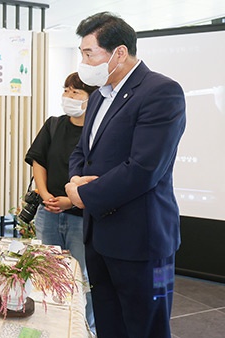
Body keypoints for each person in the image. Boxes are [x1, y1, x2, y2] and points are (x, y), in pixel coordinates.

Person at [65, 12, 186, 338]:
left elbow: (144, 168)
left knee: (147, 327)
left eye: (89, 53)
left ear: (119, 52)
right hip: (100, 237)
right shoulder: (99, 97)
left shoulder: (161, 92)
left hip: (142, 243)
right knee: (109, 324)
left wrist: (84, 195)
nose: (83, 61)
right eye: (81, 53)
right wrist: (75, 180)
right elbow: (82, 152)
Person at [25, 72, 98, 334]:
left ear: (93, 98)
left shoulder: (98, 133)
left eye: (76, 92)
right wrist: (44, 194)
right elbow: (38, 160)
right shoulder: (54, 124)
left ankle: (83, 328)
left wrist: (72, 201)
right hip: (49, 212)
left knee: (82, 277)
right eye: (66, 90)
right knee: (48, 273)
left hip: (83, 217)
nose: (68, 97)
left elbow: (100, 176)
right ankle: (51, 326)